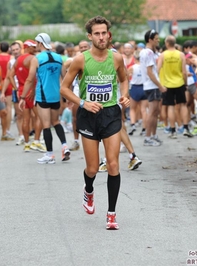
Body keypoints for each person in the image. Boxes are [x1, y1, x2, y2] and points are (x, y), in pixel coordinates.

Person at [60, 16, 130, 230]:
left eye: (104, 33)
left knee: (113, 164)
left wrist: (124, 96)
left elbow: (124, 79)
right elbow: (64, 88)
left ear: (109, 35)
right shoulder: (80, 60)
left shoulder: (116, 58)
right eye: (97, 34)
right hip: (88, 116)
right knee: (92, 168)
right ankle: (88, 190)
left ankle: (111, 214)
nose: (101, 37)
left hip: (110, 114)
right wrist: (83, 103)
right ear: (90, 36)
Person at [19, 33, 70, 164]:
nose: (35, 45)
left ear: (40, 43)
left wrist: (23, 97)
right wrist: (67, 95)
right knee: (56, 122)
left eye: (36, 42)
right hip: (56, 95)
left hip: (43, 95)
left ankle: (50, 154)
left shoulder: (37, 59)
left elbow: (30, 79)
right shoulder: (59, 57)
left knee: (46, 125)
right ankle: (64, 145)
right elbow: (65, 77)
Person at [157, 35, 193, 139]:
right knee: (183, 105)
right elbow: (184, 72)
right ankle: (186, 128)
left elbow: (158, 69)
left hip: (167, 84)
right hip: (180, 83)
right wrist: (185, 83)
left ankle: (173, 130)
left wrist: (161, 82)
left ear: (167, 43)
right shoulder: (181, 55)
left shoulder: (163, 55)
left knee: (171, 107)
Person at [139, 29, 167, 146]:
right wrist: (160, 85)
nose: (158, 41)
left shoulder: (148, 52)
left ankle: (153, 135)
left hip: (151, 85)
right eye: (156, 39)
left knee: (155, 112)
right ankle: (148, 137)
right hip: (152, 85)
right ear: (150, 40)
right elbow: (150, 72)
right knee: (152, 112)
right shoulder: (149, 53)